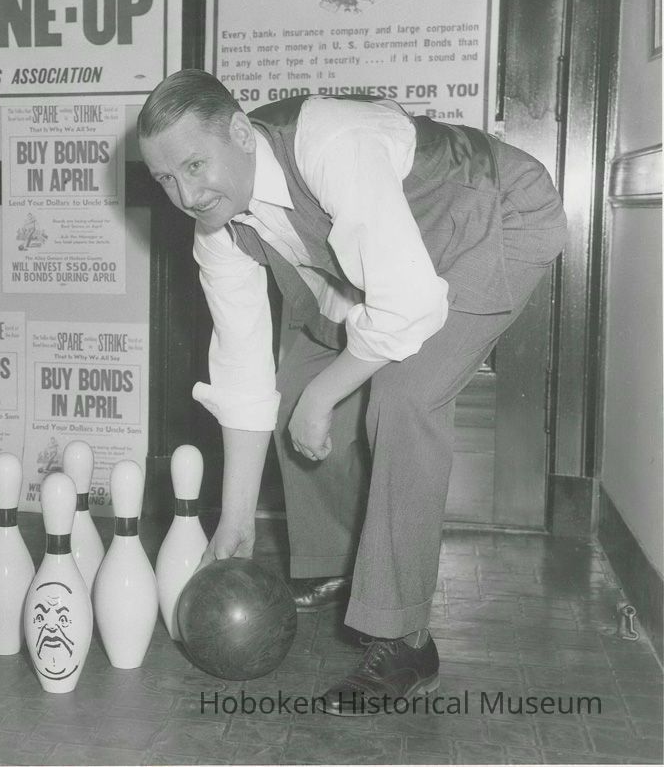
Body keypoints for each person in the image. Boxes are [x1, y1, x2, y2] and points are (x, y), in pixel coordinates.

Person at [138, 70, 565, 715]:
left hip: (496, 216)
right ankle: (345, 561)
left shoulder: (331, 142)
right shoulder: (219, 233)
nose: (187, 194)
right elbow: (243, 375)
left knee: (404, 395)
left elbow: (409, 303)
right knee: (297, 375)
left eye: (195, 165)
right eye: (166, 179)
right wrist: (236, 522)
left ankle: (405, 640)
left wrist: (323, 397)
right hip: (402, 255)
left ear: (238, 132)